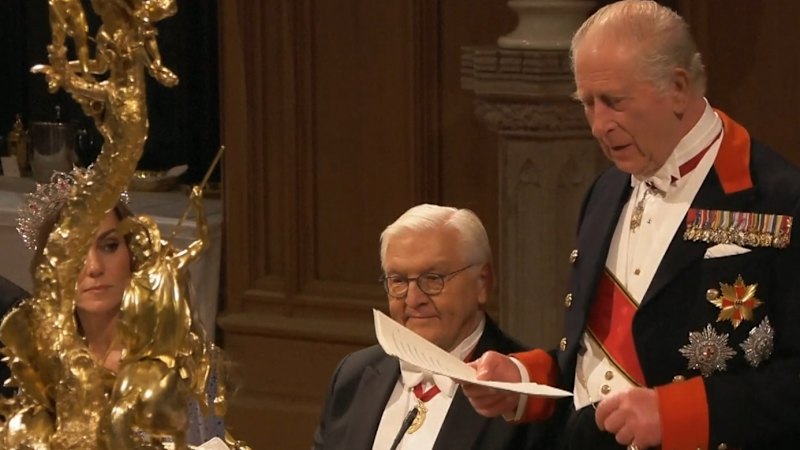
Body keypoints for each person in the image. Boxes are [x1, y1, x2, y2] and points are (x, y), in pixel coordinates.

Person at [461, 1, 800, 450]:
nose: (599, 125)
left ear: (677, 88)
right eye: (587, 104)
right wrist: (523, 379)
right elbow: (593, 357)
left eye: (614, 102)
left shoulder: (780, 199)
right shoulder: (604, 190)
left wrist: (674, 415)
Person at [3, 168, 226, 447]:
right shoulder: (43, 367)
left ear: (131, 252)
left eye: (109, 246)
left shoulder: (182, 359)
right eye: (76, 251)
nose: (95, 268)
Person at [313, 204, 544, 450]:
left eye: (433, 279)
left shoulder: (523, 395)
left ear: (482, 283)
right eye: (398, 281)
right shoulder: (354, 376)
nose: (413, 300)